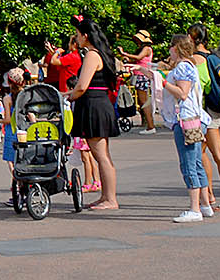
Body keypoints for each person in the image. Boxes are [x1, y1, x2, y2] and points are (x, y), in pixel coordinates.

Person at [66, 16, 122, 211]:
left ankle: (111, 199)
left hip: (94, 106)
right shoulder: (100, 53)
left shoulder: (91, 55)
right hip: (98, 103)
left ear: (86, 35)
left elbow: (82, 86)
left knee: (101, 155)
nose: (77, 38)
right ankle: (106, 196)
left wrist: (69, 97)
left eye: (79, 35)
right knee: (101, 154)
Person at [186, 23, 220, 212]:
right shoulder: (214, 58)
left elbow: (197, 86)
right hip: (219, 110)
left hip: (205, 112)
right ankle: (209, 195)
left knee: (217, 155)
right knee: (204, 151)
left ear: (191, 39)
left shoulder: (195, 61)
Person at [160, 33, 209, 223]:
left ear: (175, 48)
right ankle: (204, 205)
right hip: (196, 118)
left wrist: (163, 83)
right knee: (197, 163)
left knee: (188, 163)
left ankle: (195, 208)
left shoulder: (182, 67)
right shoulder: (190, 65)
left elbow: (182, 93)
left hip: (186, 119)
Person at [0, 67, 26, 210]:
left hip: (12, 132)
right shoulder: (27, 95)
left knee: (12, 162)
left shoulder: (7, 98)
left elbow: (8, 119)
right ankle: (26, 188)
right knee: (24, 160)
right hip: (25, 131)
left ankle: (18, 188)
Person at [124, 32, 158, 133]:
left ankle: (150, 126)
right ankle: (149, 125)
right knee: (143, 101)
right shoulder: (145, 49)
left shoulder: (147, 48)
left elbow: (139, 58)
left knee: (144, 102)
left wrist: (124, 54)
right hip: (140, 75)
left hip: (142, 75)